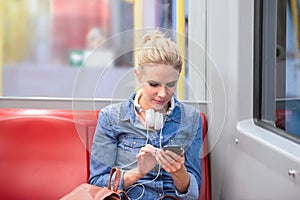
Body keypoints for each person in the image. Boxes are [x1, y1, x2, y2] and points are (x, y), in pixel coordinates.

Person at [89, 31, 202, 199]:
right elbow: (97, 183)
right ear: (138, 76)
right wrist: (138, 172)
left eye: (171, 84)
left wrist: (179, 172)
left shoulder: (191, 119)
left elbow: (193, 193)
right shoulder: (112, 118)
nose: (163, 94)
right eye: (154, 84)